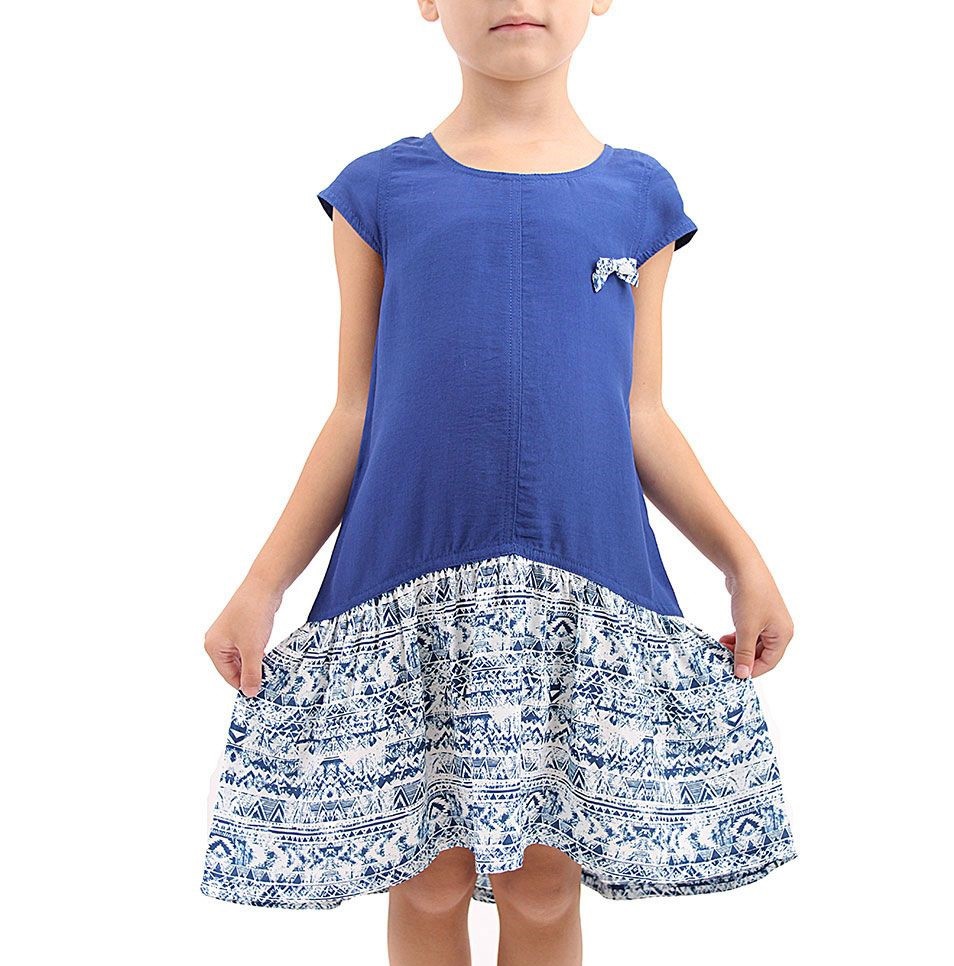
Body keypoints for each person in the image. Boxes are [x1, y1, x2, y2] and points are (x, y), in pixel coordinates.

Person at [200, 2, 798, 964]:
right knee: (429, 877)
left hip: (581, 574)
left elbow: (642, 412)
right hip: (410, 574)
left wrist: (743, 563)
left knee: (546, 882)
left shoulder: (639, 195)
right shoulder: (381, 190)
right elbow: (355, 409)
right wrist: (261, 585)